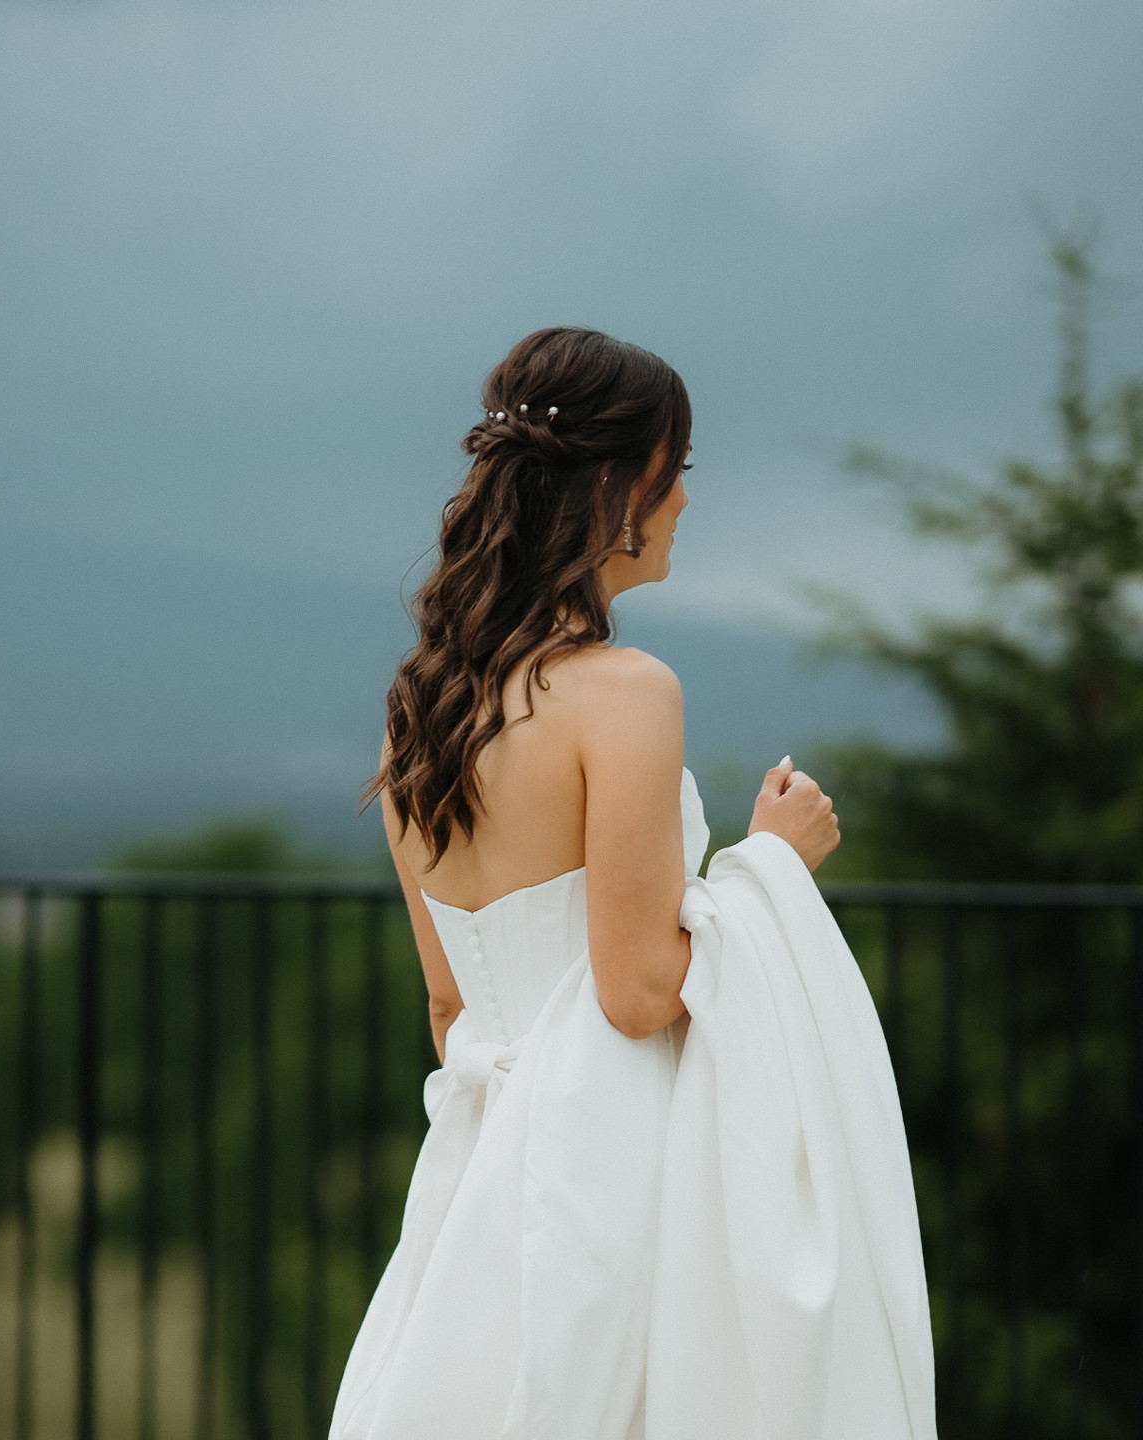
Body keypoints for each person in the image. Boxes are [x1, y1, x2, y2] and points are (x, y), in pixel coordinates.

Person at [336, 328, 934, 1440]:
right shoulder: (625, 692)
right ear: (615, 487)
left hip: (483, 1166)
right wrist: (772, 864)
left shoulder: (421, 712)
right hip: (622, 1163)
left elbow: (452, 1008)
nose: (687, 501)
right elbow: (640, 991)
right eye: (678, 469)